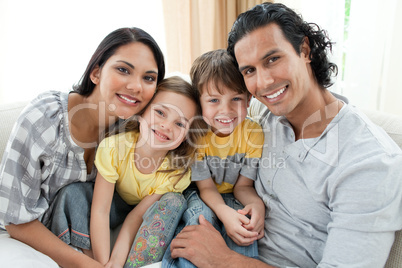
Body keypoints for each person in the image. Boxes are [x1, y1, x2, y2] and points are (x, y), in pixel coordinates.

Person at [168, 2, 402, 267]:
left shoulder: (370, 162)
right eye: (249, 70)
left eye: (273, 59)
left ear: (304, 50)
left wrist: (222, 259)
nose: (264, 82)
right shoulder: (266, 118)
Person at [0, 27, 165, 268]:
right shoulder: (44, 118)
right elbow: (15, 220)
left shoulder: (133, 129)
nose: (136, 86)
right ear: (96, 72)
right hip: (20, 233)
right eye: (123, 70)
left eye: (148, 78)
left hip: (82, 236)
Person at [162, 49, 265, 268]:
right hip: (201, 193)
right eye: (214, 100)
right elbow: (206, 188)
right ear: (199, 103)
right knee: (201, 219)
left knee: (245, 229)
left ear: (249, 99)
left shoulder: (253, 134)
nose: (226, 110)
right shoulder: (197, 134)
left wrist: (257, 205)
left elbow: (243, 187)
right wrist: (223, 212)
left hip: (233, 195)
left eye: (236, 98)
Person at [90, 76, 206, 268]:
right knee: (72, 195)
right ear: (142, 112)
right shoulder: (113, 148)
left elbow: (135, 217)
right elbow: (100, 211)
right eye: (160, 112)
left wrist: (119, 261)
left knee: (175, 201)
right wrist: (105, 264)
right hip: (111, 206)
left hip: (143, 215)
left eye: (180, 124)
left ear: (186, 137)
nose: (167, 126)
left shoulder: (176, 173)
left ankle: (136, 265)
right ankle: (87, 258)